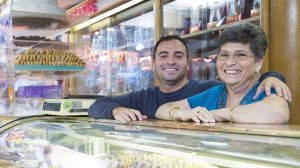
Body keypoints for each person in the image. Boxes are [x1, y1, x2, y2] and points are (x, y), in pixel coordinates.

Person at [89, 34, 291, 123]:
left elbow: (274, 109)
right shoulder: (143, 97)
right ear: (153, 63)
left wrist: (272, 76)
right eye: (163, 56)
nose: (170, 62)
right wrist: (116, 110)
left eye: (178, 56)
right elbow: (97, 106)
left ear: (188, 63)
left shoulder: (208, 88)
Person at [155, 23, 290, 124]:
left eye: (241, 55)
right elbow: (162, 110)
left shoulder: (266, 88)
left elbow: (277, 113)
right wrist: (181, 113)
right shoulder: (215, 92)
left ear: (259, 62)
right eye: (224, 55)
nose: (230, 62)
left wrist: (217, 114)